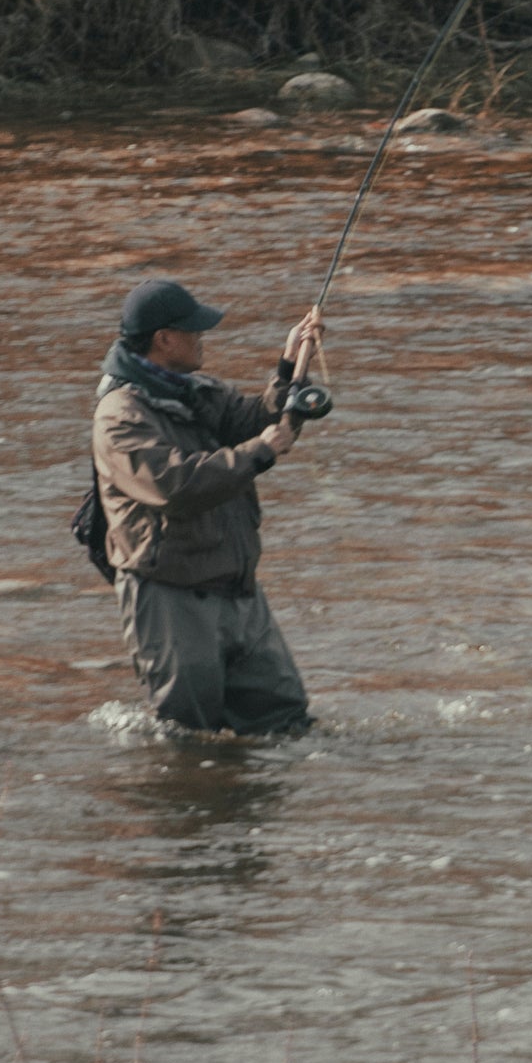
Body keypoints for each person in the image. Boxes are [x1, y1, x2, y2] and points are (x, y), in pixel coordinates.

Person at [90, 277, 328, 735]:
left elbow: (254, 420)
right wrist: (260, 450)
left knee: (286, 723)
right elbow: (175, 486)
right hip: (170, 596)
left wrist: (291, 367)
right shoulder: (119, 417)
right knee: (187, 736)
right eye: (193, 329)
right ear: (164, 339)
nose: (203, 337)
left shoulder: (192, 389)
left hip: (236, 589)